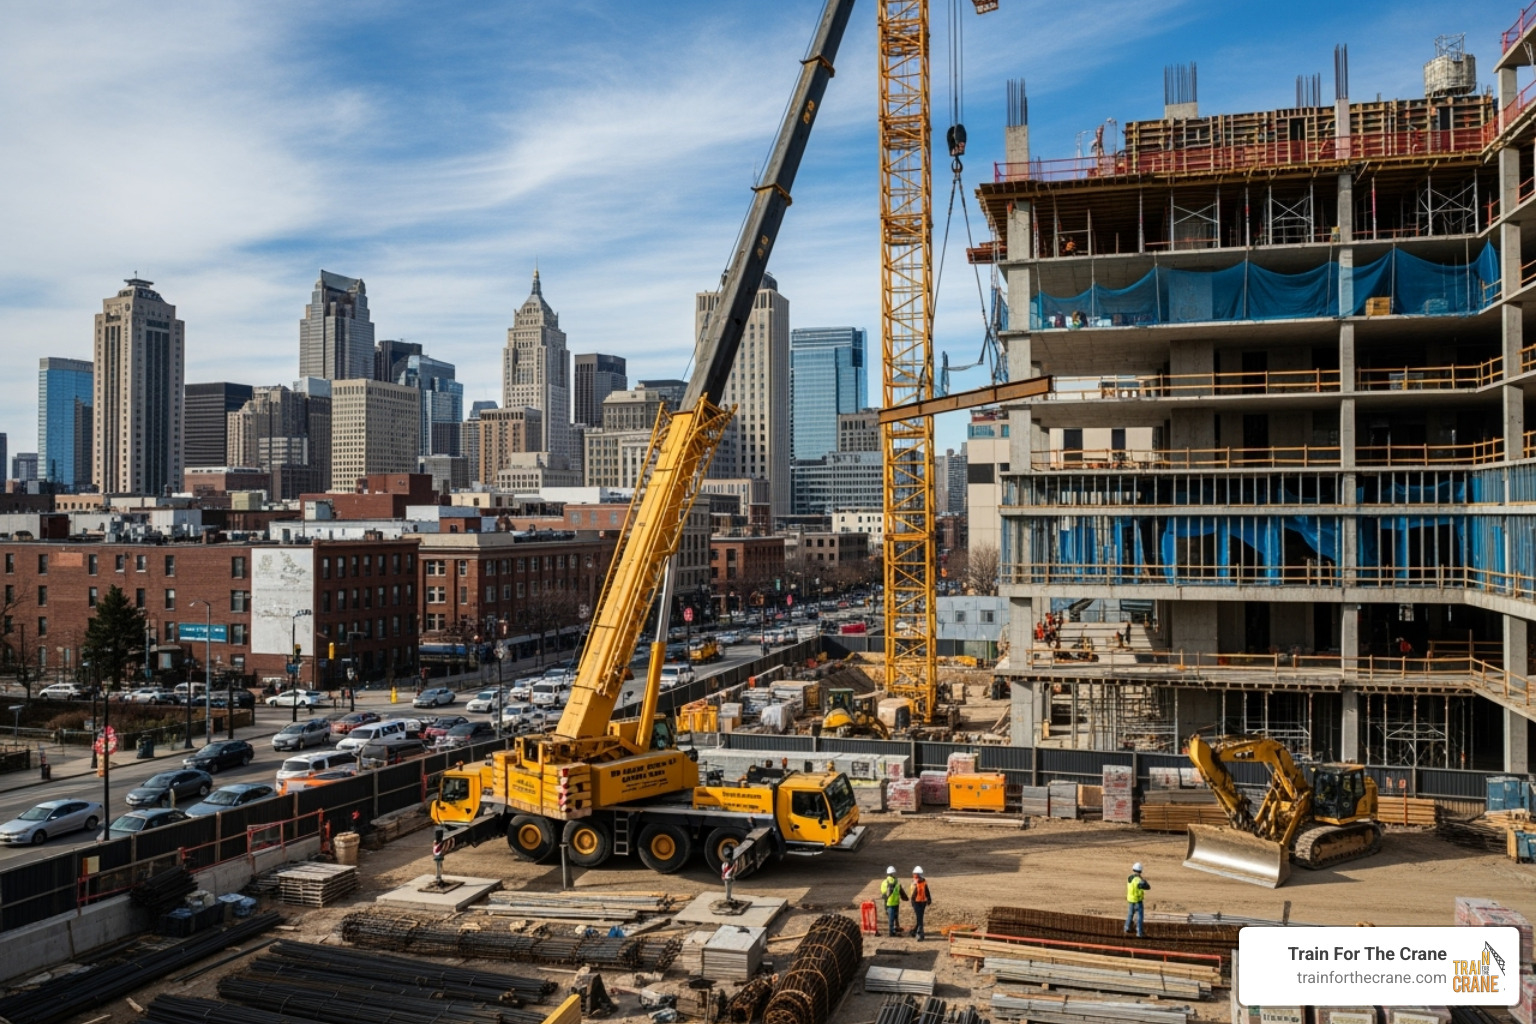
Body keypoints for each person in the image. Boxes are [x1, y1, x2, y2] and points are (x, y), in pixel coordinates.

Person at [879, 865, 907, 936]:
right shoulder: (896, 882)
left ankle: (893, 929)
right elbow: (900, 891)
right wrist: (905, 897)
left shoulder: (884, 882)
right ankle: (891, 932)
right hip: (894, 903)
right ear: (893, 873)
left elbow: (883, 892)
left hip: (889, 903)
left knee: (891, 918)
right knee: (894, 917)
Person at [1124, 862, 1150, 937]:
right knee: (1140, 917)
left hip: (1130, 900)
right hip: (1138, 901)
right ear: (1140, 871)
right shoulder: (1139, 880)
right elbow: (1148, 887)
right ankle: (1139, 932)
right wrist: (1144, 880)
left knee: (1130, 915)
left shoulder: (1129, 878)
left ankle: (1126, 927)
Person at [910, 867, 931, 940]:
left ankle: (918, 933)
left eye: (915, 874)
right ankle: (916, 932)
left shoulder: (917, 882)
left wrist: (912, 901)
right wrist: (929, 899)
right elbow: (926, 890)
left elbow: (914, 893)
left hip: (918, 902)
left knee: (920, 918)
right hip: (921, 902)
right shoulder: (921, 881)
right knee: (920, 918)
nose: (914, 875)